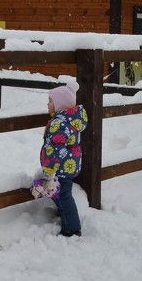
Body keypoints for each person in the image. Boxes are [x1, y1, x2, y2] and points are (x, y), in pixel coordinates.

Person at [34, 83, 88, 236]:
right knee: (59, 194)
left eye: (50, 100)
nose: (48, 103)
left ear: (60, 104)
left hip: (60, 167)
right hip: (67, 165)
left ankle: (72, 228)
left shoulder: (60, 123)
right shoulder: (70, 119)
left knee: (63, 195)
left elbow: (56, 149)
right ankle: (66, 217)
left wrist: (50, 170)